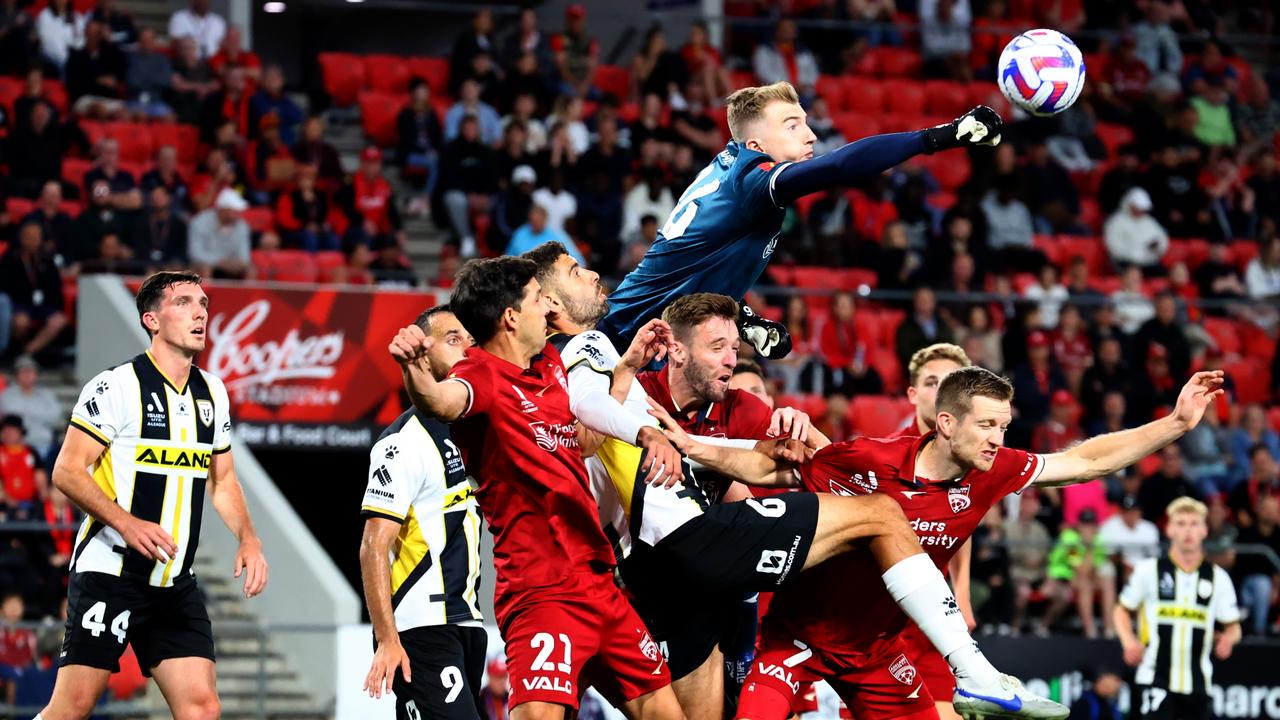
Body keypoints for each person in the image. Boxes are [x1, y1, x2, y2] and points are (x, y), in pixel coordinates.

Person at [687, 365, 1226, 720]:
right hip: (797, 637)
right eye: (988, 425)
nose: (999, 439)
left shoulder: (993, 470)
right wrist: (691, 447)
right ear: (946, 423)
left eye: (1005, 427)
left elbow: (1085, 460)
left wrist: (1176, 424)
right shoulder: (868, 459)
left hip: (876, 652)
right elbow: (776, 468)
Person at [386, 256, 683, 720]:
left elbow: (582, 441)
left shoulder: (548, 363)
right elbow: (442, 402)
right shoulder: (479, 375)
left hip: (601, 585)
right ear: (510, 317)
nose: (547, 303)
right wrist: (414, 368)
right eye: (536, 297)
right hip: (543, 595)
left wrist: (624, 373)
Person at [596, 81, 1003, 358]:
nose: (809, 136)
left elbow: (701, 259)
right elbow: (839, 168)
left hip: (641, 344)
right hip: (615, 345)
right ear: (755, 143)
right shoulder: (750, 179)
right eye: (793, 126)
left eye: (806, 123)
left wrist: (741, 313)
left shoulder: (728, 169)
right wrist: (941, 137)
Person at [38, 270, 267, 719]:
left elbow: (222, 482)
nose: (200, 312)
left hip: (172, 583)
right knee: (72, 708)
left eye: (203, 303)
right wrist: (127, 522)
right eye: (184, 302)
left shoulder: (213, 392)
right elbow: (66, 470)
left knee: (202, 707)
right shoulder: (117, 385)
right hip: (111, 573)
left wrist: (249, 537)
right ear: (152, 319)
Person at [360, 305, 488, 719]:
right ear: (424, 353)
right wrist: (387, 638)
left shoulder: (476, 428)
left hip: (468, 621)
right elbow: (373, 546)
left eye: (469, 339)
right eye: (453, 339)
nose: (466, 347)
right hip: (421, 626)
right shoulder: (403, 442)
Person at [1114, 498, 1241, 720]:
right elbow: (1121, 610)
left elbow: (1233, 626)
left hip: (1199, 684)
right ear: (1169, 529)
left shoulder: (1218, 577)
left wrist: (1228, 640)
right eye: (1181, 523)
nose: (1187, 530)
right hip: (1154, 678)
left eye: (1194, 523)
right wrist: (1129, 641)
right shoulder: (1148, 570)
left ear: (1204, 530)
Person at [0, 354, 61, 461]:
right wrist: (39, 416)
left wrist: (26, 415)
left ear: (36, 375)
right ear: (16, 374)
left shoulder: (46, 395)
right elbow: (8, 419)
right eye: (23, 371)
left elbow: (56, 418)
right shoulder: (6, 395)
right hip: (15, 446)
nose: (27, 375)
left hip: (44, 445)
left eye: (31, 371)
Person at [187, 188, 251, 279]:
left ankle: (247, 293)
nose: (238, 214)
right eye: (234, 211)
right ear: (223, 210)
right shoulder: (200, 222)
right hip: (208, 263)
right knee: (204, 268)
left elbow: (244, 256)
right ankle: (205, 293)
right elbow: (195, 253)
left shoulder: (242, 226)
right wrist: (219, 262)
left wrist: (237, 263)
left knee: (250, 269)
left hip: (231, 265)